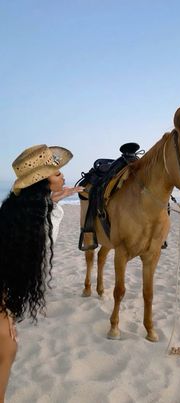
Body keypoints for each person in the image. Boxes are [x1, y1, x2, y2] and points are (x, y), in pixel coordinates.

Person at [0, 144, 83, 402]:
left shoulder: (24, 212)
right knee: (7, 348)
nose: (63, 177)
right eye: (56, 174)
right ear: (41, 182)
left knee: (7, 348)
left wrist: (53, 202)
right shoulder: (24, 219)